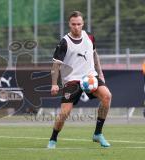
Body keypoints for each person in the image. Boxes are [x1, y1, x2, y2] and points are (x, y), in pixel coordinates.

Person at [47, 11, 112, 148]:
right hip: (72, 80)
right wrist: (54, 84)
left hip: (90, 77)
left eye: (79, 24)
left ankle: (98, 134)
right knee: (65, 112)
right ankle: (53, 139)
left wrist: (100, 74)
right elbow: (56, 65)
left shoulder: (90, 37)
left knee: (107, 96)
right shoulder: (64, 42)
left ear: (83, 24)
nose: (76, 27)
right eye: (73, 24)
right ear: (69, 25)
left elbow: (95, 56)